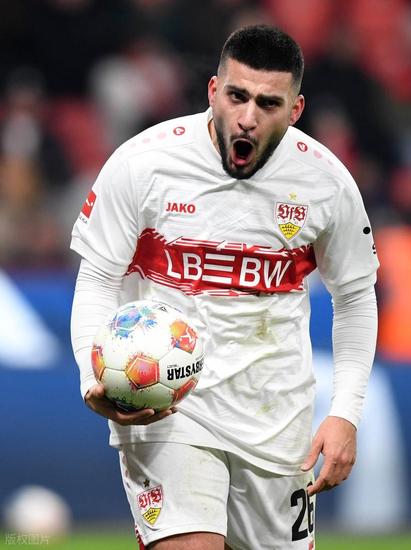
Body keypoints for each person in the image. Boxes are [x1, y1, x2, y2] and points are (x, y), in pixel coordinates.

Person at [70, 25, 379, 550]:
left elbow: (355, 298)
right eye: (237, 96)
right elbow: (98, 277)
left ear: (296, 109)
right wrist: (90, 375)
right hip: (168, 406)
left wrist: (345, 413)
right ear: (213, 91)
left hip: (275, 420)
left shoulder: (326, 182)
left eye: (268, 103)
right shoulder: (143, 163)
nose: (248, 117)